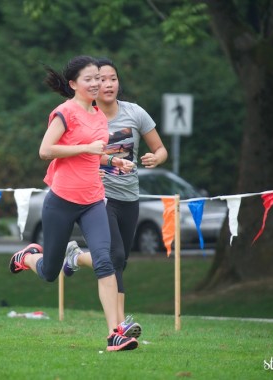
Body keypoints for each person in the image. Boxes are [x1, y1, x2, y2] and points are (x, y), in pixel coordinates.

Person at [9, 55, 138, 352]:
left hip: (93, 200)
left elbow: (93, 154)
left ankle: (114, 334)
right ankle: (27, 257)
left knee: (105, 260)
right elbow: (45, 150)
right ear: (73, 84)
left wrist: (112, 159)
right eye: (90, 79)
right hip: (62, 201)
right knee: (49, 272)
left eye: (100, 78)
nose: (97, 84)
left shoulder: (97, 116)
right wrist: (87, 148)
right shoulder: (64, 113)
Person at [63, 57, 168, 339]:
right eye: (101, 79)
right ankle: (120, 326)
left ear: (118, 82)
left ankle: (75, 257)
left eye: (112, 78)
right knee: (115, 254)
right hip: (97, 196)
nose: (107, 84)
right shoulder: (86, 115)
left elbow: (161, 149)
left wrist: (154, 158)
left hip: (130, 196)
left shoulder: (135, 113)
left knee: (119, 262)